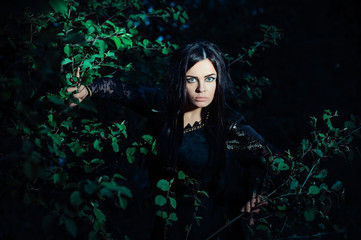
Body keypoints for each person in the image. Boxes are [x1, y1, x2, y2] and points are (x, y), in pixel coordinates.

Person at [67, 41, 269, 239]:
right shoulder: (164, 104)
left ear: (219, 80)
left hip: (205, 221)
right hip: (164, 217)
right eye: (192, 79)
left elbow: (268, 159)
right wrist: (87, 90)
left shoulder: (225, 125)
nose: (201, 89)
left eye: (209, 79)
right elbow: (119, 90)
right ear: (180, 80)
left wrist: (255, 196)